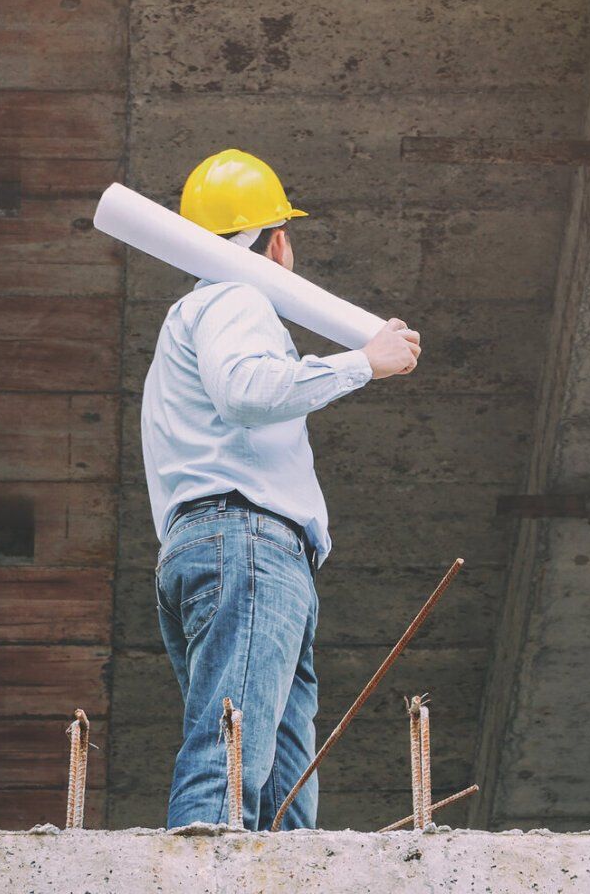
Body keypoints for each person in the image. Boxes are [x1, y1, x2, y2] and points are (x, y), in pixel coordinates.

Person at [140, 148, 420, 829]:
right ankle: (203, 877)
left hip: (235, 547)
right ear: (278, 239)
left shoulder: (191, 321)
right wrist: (363, 362)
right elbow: (248, 389)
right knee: (232, 754)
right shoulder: (236, 296)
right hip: (246, 541)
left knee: (279, 789)